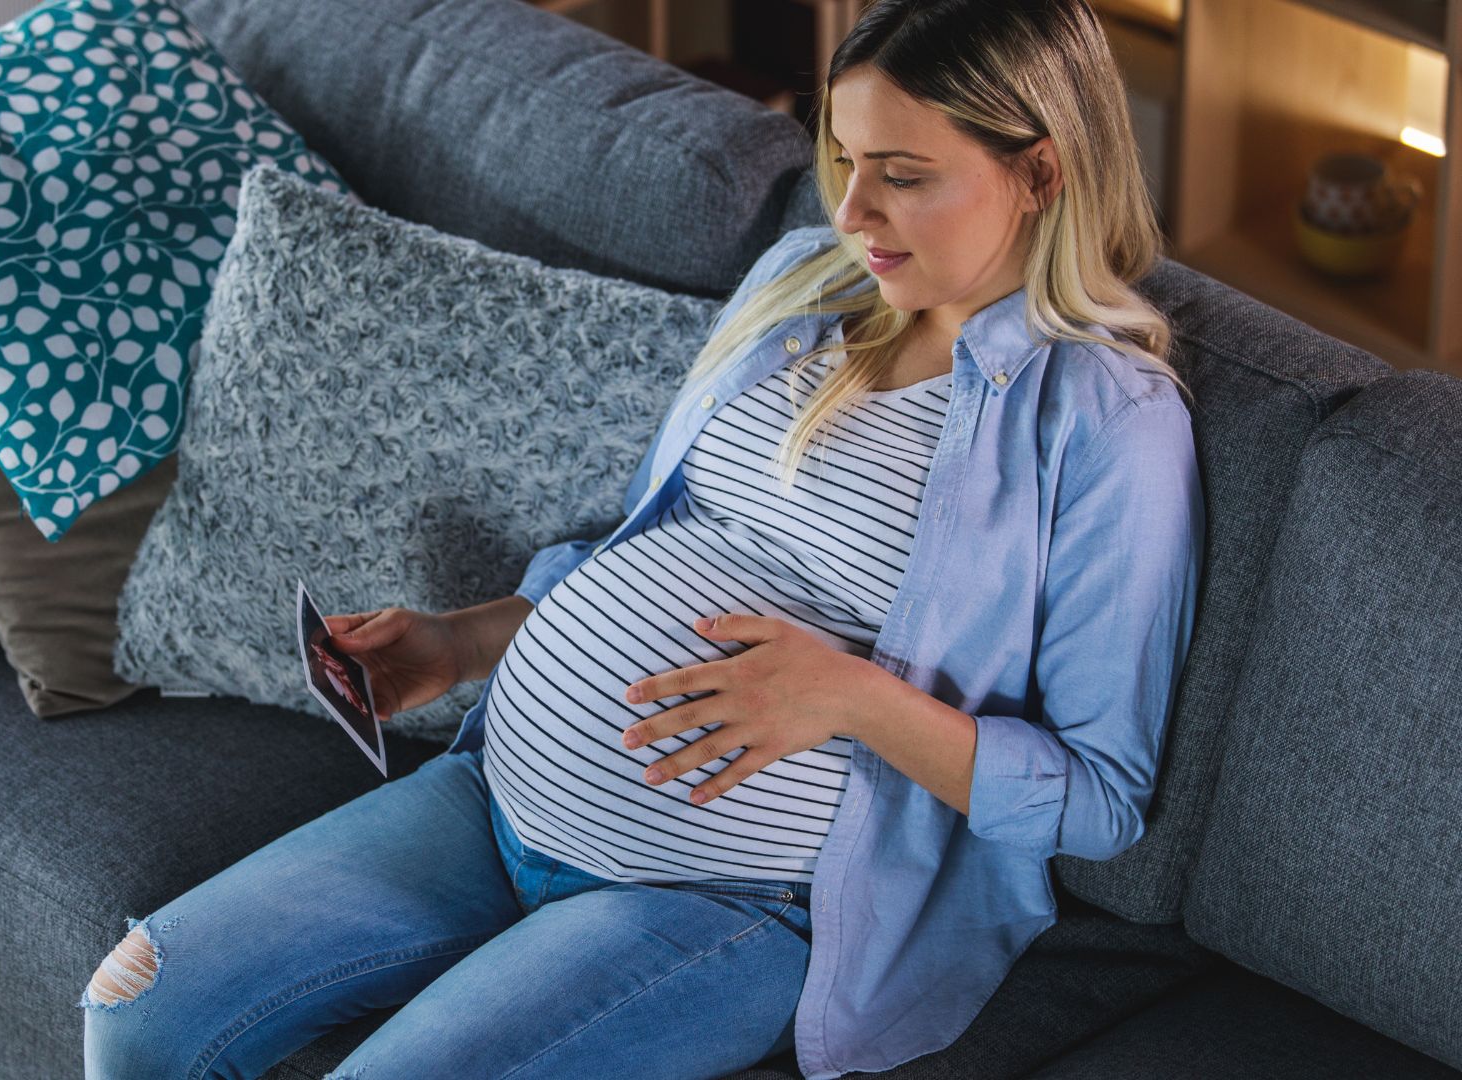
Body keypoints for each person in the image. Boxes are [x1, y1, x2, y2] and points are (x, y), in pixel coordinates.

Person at [79, 0, 1206, 1076]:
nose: (852, 212)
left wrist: (853, 698)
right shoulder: (799, 289)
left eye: (904, 177)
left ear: (1041, 171)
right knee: (136, 1007)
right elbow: (656, 543)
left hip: (724, 900)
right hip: (497, 794)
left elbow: (1099, 796)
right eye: (846, 159)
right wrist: (464, 644)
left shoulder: (1106, 422)